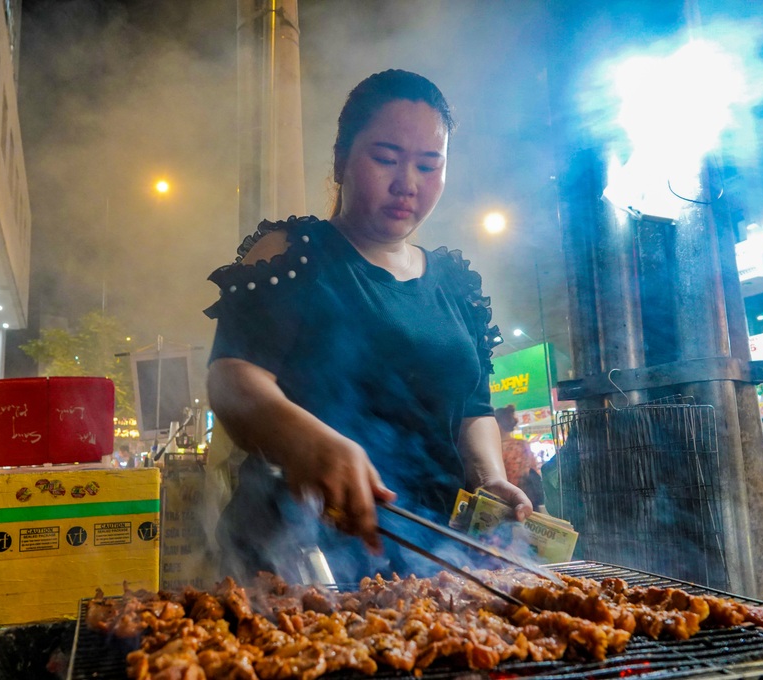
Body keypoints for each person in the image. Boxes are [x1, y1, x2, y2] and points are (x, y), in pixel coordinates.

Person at [204, 70, 532, 581]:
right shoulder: (295, 254)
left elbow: (473, 409)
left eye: (429, 165)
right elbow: (232, 377)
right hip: (298, 561)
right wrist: (306, 440)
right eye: (386, 159)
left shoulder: (455, 284)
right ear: (341, 161)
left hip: (428, 562)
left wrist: (489, 480)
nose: (408, 184)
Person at [494, 405, 544, 510]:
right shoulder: (522, 444)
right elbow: (533, 470)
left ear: (498, 424)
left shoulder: (495, 447)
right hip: (526, 500)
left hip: (503, 501)